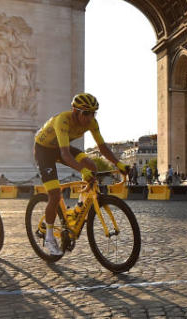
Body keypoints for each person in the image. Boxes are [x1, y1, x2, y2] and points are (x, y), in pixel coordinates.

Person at [33, 93, 128, 256]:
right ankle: (48, 236)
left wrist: (118, 164)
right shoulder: (62, 120)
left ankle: (79, 208)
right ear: (75, 111)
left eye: (93, 113)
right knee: (55, 195)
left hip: (61, 148)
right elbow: (65, 155)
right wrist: (82, 170)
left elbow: (103, 148)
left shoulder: (92, 123)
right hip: (44, 150)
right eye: (86, 113)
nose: (90, 117)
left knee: (91, 164)